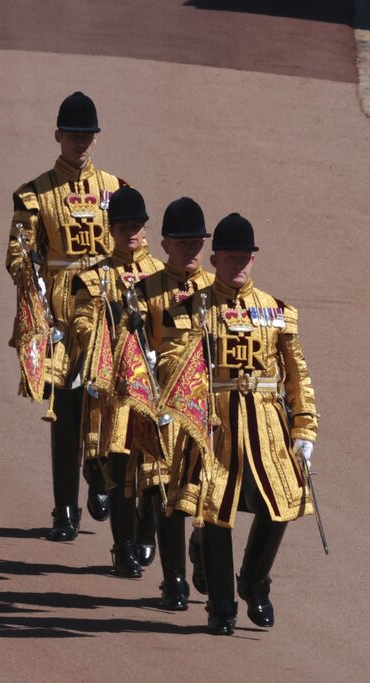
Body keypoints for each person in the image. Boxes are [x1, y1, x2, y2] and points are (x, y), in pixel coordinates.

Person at [158, 213, 318, 635]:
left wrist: (304, 429)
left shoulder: (277, 311)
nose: (239, 265)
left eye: (246, 257)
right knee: (216, 509)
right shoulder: (192, 306)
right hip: (216, 420)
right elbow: (174, 360)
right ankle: (221, 606)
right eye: (231, 258)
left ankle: (254, 581)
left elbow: (297, 373)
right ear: (214, 259)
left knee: (281, 502)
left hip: (266, 420)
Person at [6, 92, 127, 541]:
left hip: (105, 308)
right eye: (73, 134)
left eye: (87, 135)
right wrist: (28, 277)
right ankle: (64, 510)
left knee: (109, 402)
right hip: (59, 311)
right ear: (58, 135)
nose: (81, 142)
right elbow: (17, 250)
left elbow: (132, 247)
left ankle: (100, 478)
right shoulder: (35, 193)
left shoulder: (117, 189)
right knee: (65, 411)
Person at [70, 187, 163, 577]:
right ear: (111, 228)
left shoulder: (162, 274)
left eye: (137, 226)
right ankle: (124, 545)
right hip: (116, 390)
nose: (131, 232)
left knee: (158, 470)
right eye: (124, 226)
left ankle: (147, 532)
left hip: (158, 386)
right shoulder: (93, 277)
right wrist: (103, 342)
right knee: (121, 468)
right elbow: (81, 322)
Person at [136, 196, 215, 608]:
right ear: (164, 244)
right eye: (183, 243)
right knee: (163, 493)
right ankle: (175, 580)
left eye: (197, 243)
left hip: (206, 411)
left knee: (204, 489)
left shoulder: (216, 293)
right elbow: (128, 352)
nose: (191, 250)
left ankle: (202, 549)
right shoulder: (144, 291)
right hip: (159, 406)